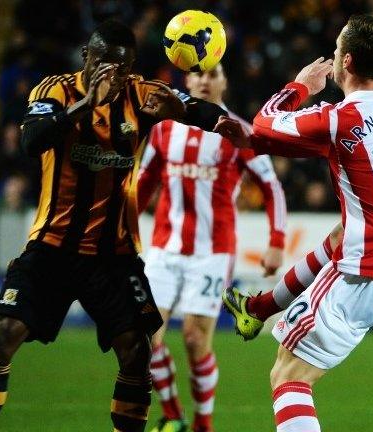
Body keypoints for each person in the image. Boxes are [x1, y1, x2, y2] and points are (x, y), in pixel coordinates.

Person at [0, 20, 225, 432]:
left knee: (138, 353)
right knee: (1, 335)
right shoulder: (53, 90)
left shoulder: (143, 94)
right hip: (52, 246)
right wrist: (87, 104)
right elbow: (32, 140)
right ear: (86, 56)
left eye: (121, 68)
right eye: (103, 63)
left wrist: (189, 112)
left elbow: (209, 115)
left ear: (131, 67)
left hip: (113, 255)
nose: (111, 75)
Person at [217, 15, 373, 431]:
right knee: (344, 231)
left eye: (337, 49)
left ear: (347, 61)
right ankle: (259, 308)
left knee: (288, 376)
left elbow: (267, 122)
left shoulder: (338, 118)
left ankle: (261, 312)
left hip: (372, 279)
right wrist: (256, 139)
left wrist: (301, 85)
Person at [136, 63, 287, 432]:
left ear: (225, 80)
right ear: (186, 80)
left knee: (193, 339)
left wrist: (277, 242)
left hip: (212, 252)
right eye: (197, 73)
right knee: (143, 339)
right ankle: (174, 417)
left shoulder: (235, 131)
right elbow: (143, 183)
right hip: (164, 249)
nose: (204, 80)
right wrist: (118, 230)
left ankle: (203, 425)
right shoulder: (162, 130)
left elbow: (272, 187)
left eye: (213, 73)